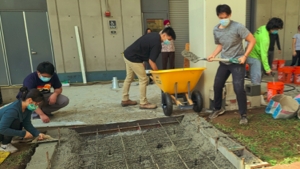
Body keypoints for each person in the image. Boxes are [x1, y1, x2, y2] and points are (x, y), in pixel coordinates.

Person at [207, 4, 256, 125]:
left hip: (237, 62)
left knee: (238, 88)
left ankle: (243, 115)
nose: (224, 19)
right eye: (221, 17)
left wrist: (244, 56)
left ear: (230, 15)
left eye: (226, 16)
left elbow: (252, 40)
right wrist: (213, 55)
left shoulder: (238, 27)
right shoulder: (216, 29)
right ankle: (218, 109)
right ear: (218, 16)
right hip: (224, 62)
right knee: (217, 85)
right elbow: (220, 45)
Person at [121, 27, 176, 109]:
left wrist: (142, 61)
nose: (168, 41)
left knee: (129, 77)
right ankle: (143, 103)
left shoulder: (153, 34)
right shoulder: (157, 44)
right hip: (133, 58)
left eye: (170, 40)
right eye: (169, 39)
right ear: (164, 35)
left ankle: (125, 99)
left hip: (127, 54)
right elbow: (151, 61)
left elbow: (143, 47)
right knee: (144, 79)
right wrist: (158, 75)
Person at [0, 87, 45, 153]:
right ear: (30, 100)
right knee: (15, 122)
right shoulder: (12, 110)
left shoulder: (27, 108)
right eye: (36, 104)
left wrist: (37, 133)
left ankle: (10, 139)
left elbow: (27, 123)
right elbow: (2, 129)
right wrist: (23, 134)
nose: (36, 106)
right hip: (1, 129)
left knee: (19, 122)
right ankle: (4, 145)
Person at [247, 18, 283, 84]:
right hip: (254, 56)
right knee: (256, 78)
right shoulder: (265, 39)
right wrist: (267, 68)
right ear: (273, 28)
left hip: (251, 52)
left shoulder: (262, 27)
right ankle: (255, 92)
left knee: (256, 75)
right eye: (277, 29)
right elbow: (264, 55)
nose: (277, 31)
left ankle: (254, 90)